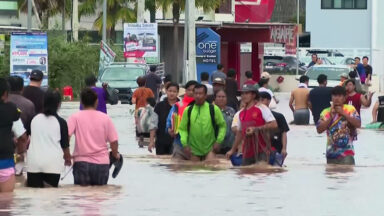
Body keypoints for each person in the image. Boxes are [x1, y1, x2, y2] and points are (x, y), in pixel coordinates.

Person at [68, 88, 120, 186]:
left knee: (81, 197)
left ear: (82, 102)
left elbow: (66, 137)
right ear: (96, 102)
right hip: (102, 164)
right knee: (99, 197)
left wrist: (67, 155)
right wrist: (115, 154)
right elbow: (114, 141)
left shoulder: (74, 117)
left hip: (81, 163)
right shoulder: (105, 118)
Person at [27, 90, 71, 188]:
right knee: (50, 198)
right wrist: (68, 158)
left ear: (43, 102)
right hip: (52, 165)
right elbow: (65, 145)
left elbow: (25, 138)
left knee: (34, 198)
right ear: (59, 104)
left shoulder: (33, 119)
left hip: (34, 164)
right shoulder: (61, 122)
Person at [226, 85, 274, 165]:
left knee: (262, 174)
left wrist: (256, 129)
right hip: (247, 152)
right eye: (242, 94)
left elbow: (273, 124)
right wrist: (232, 150)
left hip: (262, 150)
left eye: (247, 93)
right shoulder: (240, 113)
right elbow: (240, 133)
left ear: (254, 95)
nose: (243, 96)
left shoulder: (262, 108)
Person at [178, 84, 226, 161]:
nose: (198, 96)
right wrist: (185, 144)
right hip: (194, 150)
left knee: (210, 168)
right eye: (196, 93)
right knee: (194, 171)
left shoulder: (213, 109)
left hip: (210, 148)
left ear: (205, 96)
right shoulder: (188, 110)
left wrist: (218, 141)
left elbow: (222, 126)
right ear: (193, 95)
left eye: (200, 94)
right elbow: (182, 129)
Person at [317, 86, 361, 165]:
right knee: (332, 176)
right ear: (331, 97)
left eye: (340, 96)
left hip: (347, 154)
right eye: (334, 96)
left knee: (346, 176)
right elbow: (319, 130)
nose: (337, 98)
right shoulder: (326, 112)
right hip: (331, 155)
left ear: (345, 98)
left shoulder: (350, 109)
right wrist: (331, 117)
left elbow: (358, 124)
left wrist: (343, 113)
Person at [0, 78, 26, 193]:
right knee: (6, 203)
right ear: (5, 93)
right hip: (5, 161)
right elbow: (23, 137)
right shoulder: (11, 109)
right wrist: (20, 154)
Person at [167, 80, 198, 159]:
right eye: (189, 90)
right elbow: (169, 122)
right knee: (177, 168)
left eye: (193, 90)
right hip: (179, 144)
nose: (191, 92)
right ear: (185, 91)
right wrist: (169, 130)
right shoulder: (177, 105)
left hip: (198, 145)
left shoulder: (203, 106)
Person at [149, 83, 180, 155]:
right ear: (166, 91)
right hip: (161, 142)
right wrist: (151, 141)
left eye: (174, 91)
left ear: (178, 92)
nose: (172, 93)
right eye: (170, 91)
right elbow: (153, 124)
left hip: (177, 143)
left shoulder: (181, 106)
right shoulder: (159, 106)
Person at [259, 92, 289, 165]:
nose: (260, 103)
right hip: (260, 148)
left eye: (262, 100)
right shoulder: (255, 116)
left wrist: (284, 149)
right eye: (258, 100)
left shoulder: (279, 116)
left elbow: (284, 133)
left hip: (276, 147)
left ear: (269, 101)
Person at [214, 90, 236, 154]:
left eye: (223, 97)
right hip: (216, 145)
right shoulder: (212, 110)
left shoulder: (231, 110)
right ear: (215, 98)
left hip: (230, 145)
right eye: (219, 97)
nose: (221, 99)